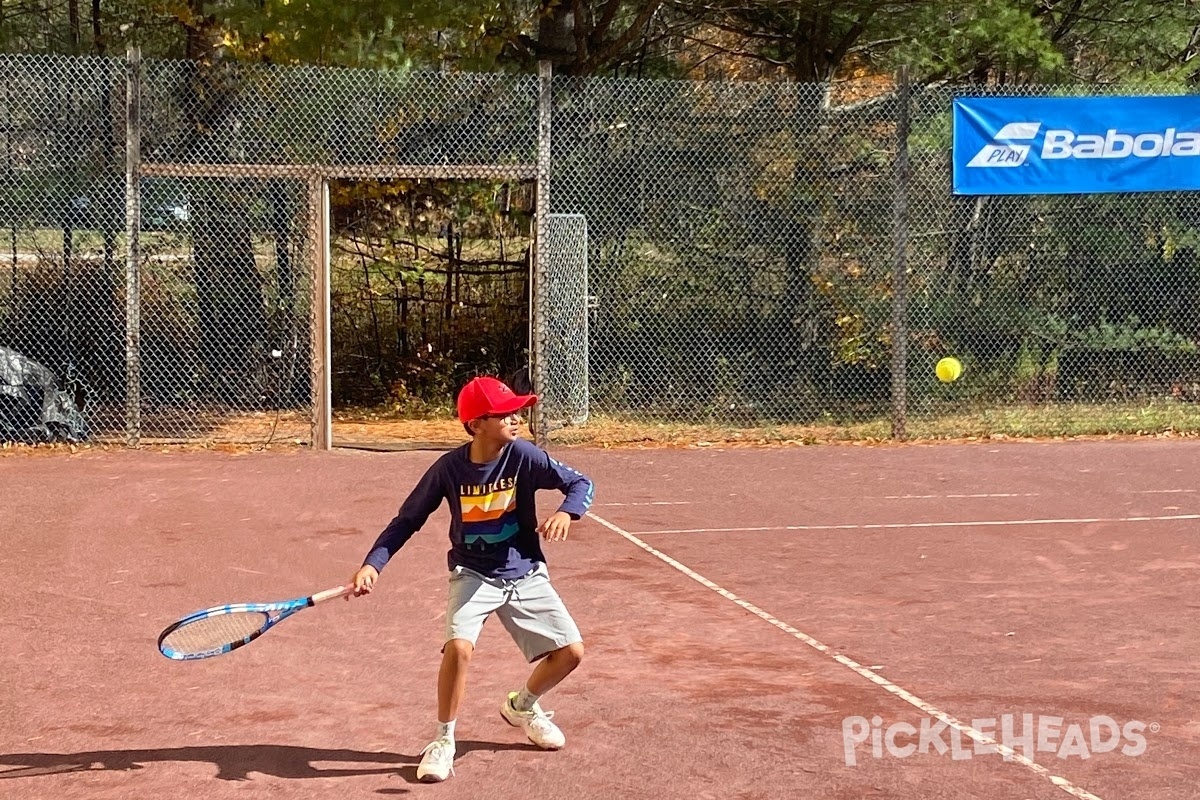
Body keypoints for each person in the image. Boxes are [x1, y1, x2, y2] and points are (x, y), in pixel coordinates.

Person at [348, 375, 594, 783]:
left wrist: (567, 512)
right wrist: (373, 563)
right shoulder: (448, 469)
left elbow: (581, 483)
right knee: (458, 649)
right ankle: (444, 739)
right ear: (476, 423)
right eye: (505, 414)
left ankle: (522, 706)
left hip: (524, 571)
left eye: (518, 411)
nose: (516, 419)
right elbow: (406, 520)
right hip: (472, 574)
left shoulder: (525, 456)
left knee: (571, 653)